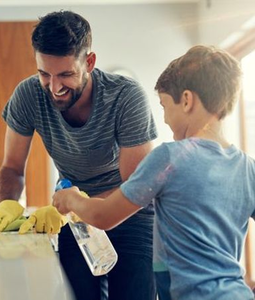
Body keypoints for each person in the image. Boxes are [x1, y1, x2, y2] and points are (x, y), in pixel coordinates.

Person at [0, 10, 157, 300]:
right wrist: (6, 208)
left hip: (128, 215)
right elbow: (12, 168)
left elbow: (135, 187)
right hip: (75, 219)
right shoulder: (28, 95)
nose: (55, 87)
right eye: (44, 74)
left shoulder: (125, 97)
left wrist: (79, 203)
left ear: (90, 62)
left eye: (66, 75)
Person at [53, 45, 255, 300]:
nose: (166, 119)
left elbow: (103, 216)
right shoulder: (248, 168)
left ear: (186, 100)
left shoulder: (169, 158)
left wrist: (71, 198)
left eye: (163, 105)